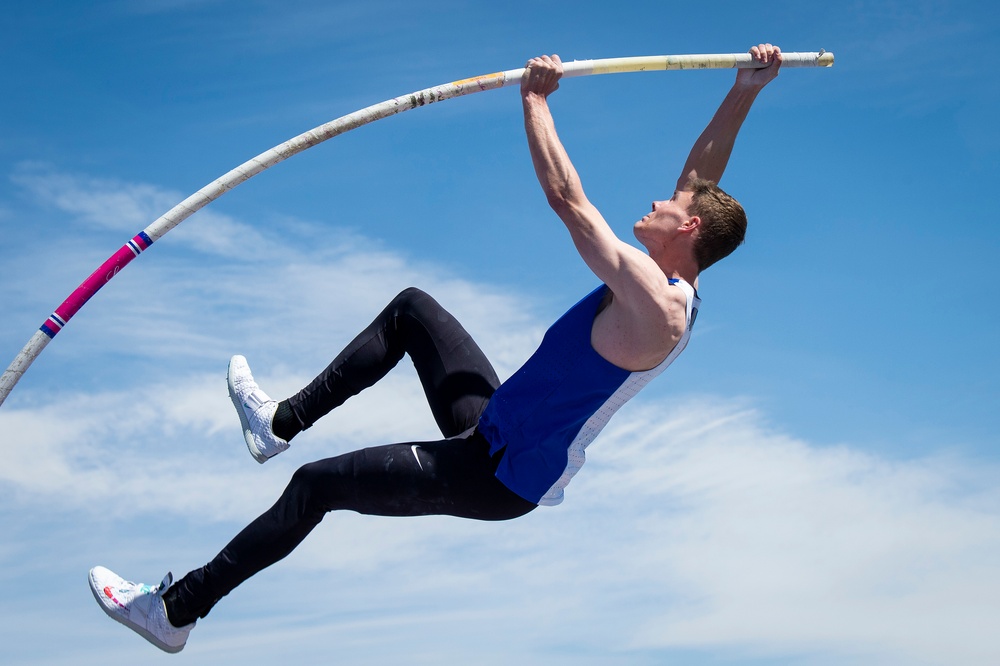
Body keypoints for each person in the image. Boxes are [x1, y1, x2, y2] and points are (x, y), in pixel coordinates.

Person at [88, 44, 783, 653]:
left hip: (496, 473)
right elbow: (701, 175)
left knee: (317, 487)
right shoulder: (666, 269)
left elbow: (570, 203)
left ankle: (175, 612)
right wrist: (742, 92)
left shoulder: (658, 306)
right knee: (412, 311)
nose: (662, 197)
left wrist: (536, 103)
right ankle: (278, 424)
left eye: (673, 204)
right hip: (495, 421)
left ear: (688, 229)